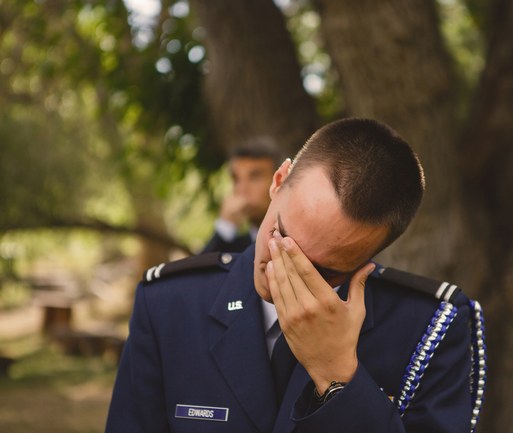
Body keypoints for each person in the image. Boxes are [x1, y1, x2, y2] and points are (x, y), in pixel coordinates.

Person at [106, 118, 486, 433]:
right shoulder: (169, 304)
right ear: (279, 180)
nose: (280, 270)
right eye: (281, 237)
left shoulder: (430, 329)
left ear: (373, 254)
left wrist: (338, 374)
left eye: (325, 270)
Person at [201, 137, 282, 254]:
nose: (241, 189)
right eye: (236, 179)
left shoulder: (300, 238)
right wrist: (224, 226)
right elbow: (201, 271)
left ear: (279, 181)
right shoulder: (232, 250)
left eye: (255, 177)